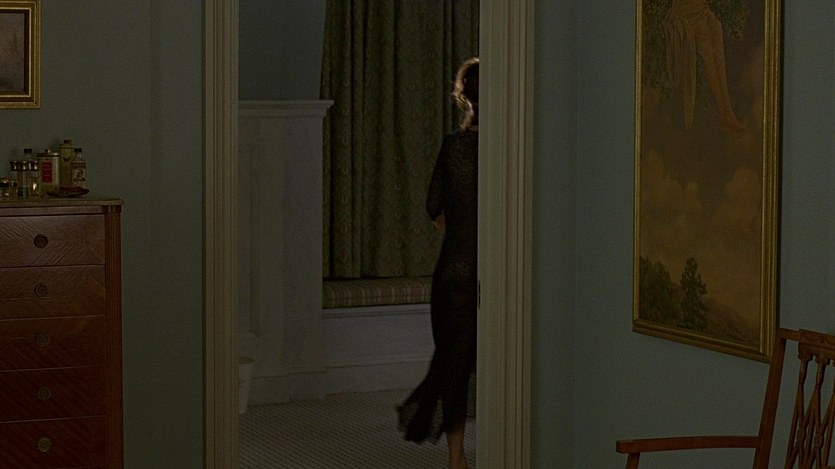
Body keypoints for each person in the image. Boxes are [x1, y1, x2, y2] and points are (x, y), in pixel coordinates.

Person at [398, 57, 479, 469]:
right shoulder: (507, 149)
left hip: (454, 268)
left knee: (455, 365)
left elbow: (433, 205)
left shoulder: (454, 146)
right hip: (490, 270)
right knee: (496, 362)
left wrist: (459, 229)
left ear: (465, 98)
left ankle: (455, 457)